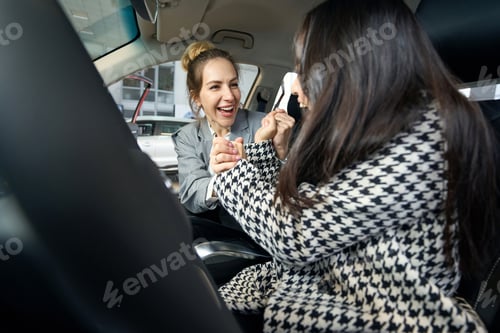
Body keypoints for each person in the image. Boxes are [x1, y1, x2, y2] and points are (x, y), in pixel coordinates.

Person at [209, 0, 499, 331]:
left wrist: (233, 174)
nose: (296, 89)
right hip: (333, 292)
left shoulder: (424, 141)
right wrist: (258, 155)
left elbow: (294, 234)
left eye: (305, 70)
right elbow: (316, 208)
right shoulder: (385, 133)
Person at [172, 41, 295, 234]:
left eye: (234, 84)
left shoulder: (265, 125)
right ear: (196, 97)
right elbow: (190, 194)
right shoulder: (188, 136)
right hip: (217, 230)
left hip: (263, 231)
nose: (229, 96)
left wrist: (280, 153)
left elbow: (287, 196)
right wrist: (219, 176)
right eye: (215, 87)